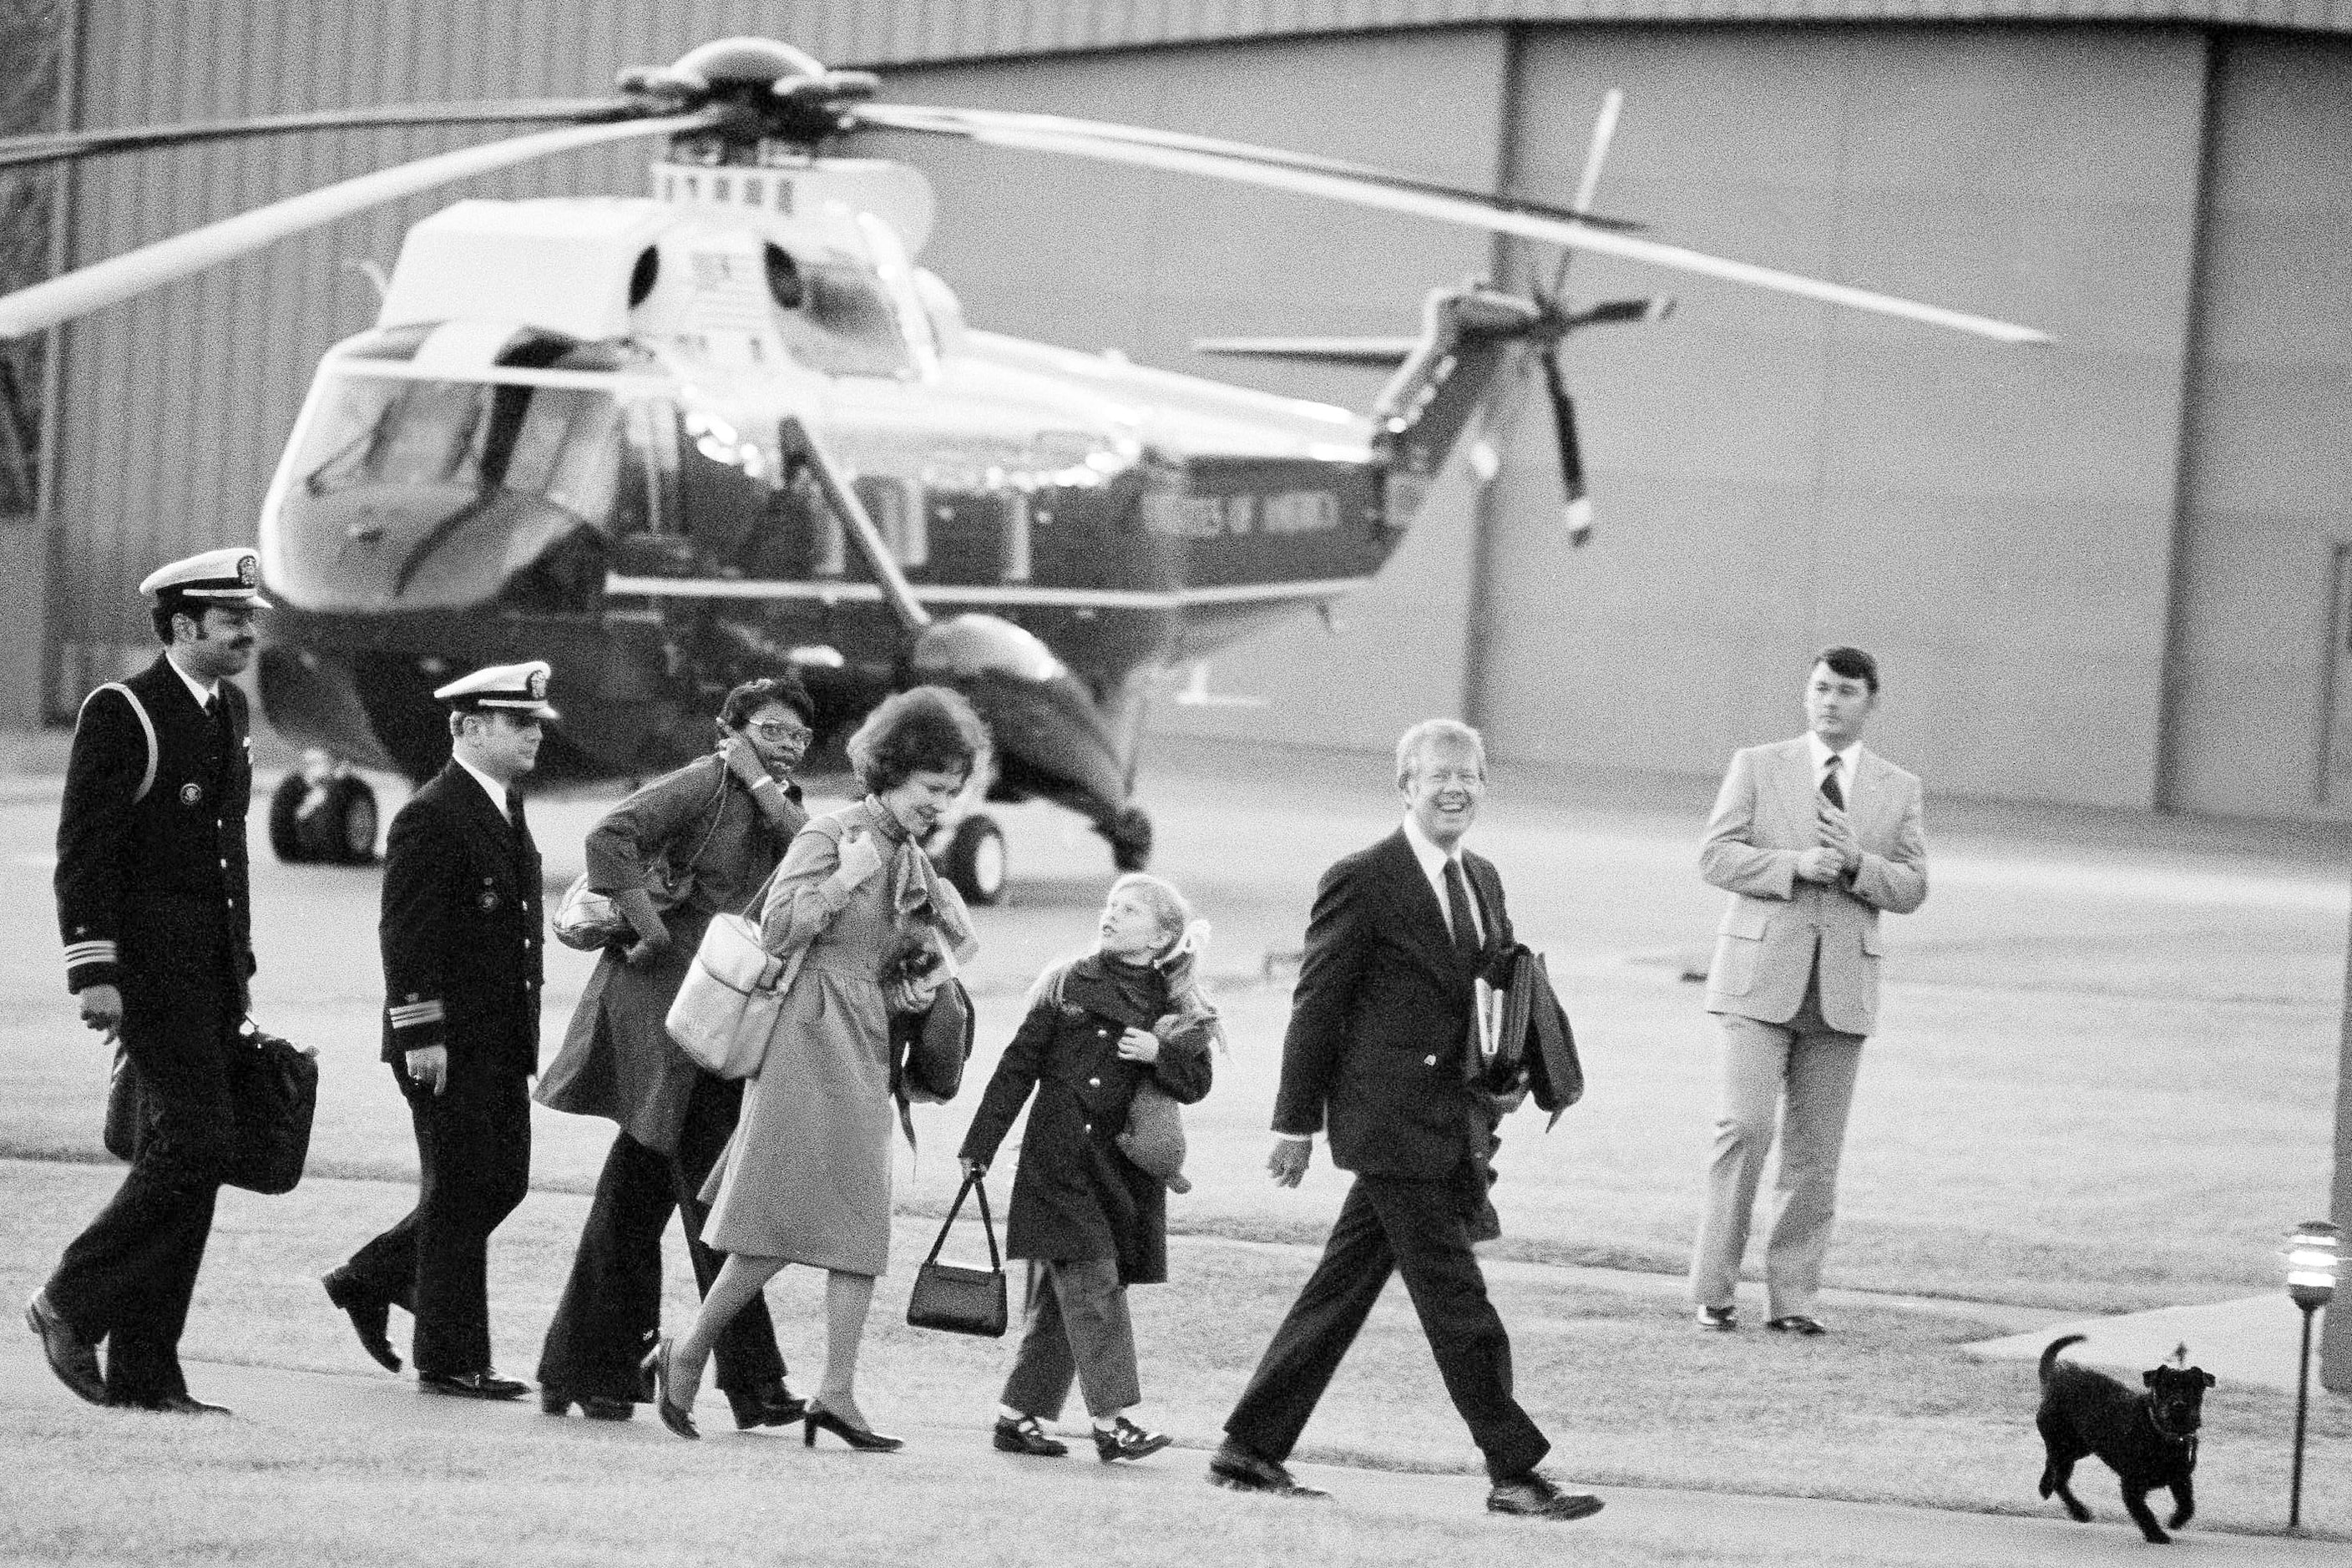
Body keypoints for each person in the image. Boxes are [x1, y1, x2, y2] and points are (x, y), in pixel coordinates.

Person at [1208, 721, 1602, 1522]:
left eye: (1469, 776)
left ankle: (1249, 1446)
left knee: (1340, 1290)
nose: (1455, 789)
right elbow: (1317, 1008)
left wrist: (1513, 1069)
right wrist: (1295, 1125)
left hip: (1450, 1121)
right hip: (1388, 1123)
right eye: (1437, 777)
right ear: (1405, 787)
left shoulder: (1482, 878)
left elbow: (1494, 987)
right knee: (1458, 1301)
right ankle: (1514, 1470)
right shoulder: (1362, 878)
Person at [650, 685, 986, 1445]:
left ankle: (831, 1390)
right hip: (806, 1031)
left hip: (867, 1035)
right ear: (891, 773)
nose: (942, 805)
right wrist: (843, 879)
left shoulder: (912, 858)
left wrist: (927, 968)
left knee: (858, 1222)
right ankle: (692, 1351)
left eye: (952, 792)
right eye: (932, 789)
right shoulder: (837, 834)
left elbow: (939, 951)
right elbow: (778, 927)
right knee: (774, 1224)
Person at [532, 675, 817, 1427]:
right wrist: (647, 926)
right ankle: (751, 1385)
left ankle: (585, 1371)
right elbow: (608, 837)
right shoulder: (702, 783)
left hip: (717, 1021)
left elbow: (806, 851)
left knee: (636, 1195)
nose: (785, 745)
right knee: (716, 1199)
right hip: (664, 1012)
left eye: (797, 736)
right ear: (733, 727)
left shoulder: (776, 804)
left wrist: (760, 780)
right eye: (770, 729)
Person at [27, 548, 268, 1414]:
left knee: (200, 1162)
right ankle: (68, 1301)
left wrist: (238, 968)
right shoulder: (123, 709)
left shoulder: (226, 708)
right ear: (180, 626)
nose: (248, 631)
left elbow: (225, 854)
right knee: (197, 1142)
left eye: (250, 617)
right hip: (148, 977)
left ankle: (148, 1374)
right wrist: (94, 970)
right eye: (230, 618)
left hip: (210, 977)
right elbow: (83, 851)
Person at [321, 660, 554, 1399]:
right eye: (516, 723)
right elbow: (407, 936)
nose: (531, 736)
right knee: (459, 1191)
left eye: (534, 724)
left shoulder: (499, 805)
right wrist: (422, 1035)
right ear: (467, 727)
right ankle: (452, 1358)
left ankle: (371, 1276)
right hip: (445, 1042)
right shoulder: (433, 812)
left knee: (502, 1183)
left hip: (497, 1037)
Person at [1687, 645, 1928, 1336]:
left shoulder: (1897, 787)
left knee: (1816, 1154)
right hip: (1757, 982)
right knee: (1745, 1127)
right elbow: (1714, 856)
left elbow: (1911, 886)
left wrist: (1857, 865)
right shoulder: (1757, 766)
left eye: (1845, 691)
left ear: (1870, 702)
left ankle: (1792, 1302)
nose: (1828, 701)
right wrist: (1794, 864)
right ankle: (1713, 1290)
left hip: (1841, 990)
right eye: (1819, 688)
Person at [958, 874, 1217, 1464]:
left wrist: (1162, 1054)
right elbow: (1016, 1068)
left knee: (1067, 1295)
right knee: (1093, 1284)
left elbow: (1198, 1082)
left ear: (1162, 935)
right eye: (1110, 907)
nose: (1111, 916)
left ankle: (1017, 1416)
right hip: (1060, 1163)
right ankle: (1113, 1422)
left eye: (1129, 911)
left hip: (1122, 1170)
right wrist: (982, 1143)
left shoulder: (1174, 999)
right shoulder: (1068, 982)